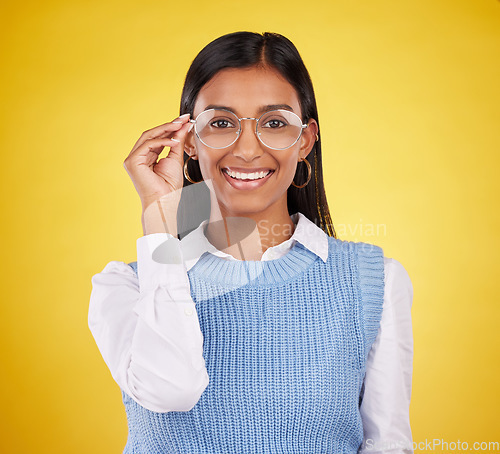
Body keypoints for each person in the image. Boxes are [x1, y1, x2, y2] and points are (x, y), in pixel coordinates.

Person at [88, 31, 414, 454]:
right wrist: (161, 221)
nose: (246, 149)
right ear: (188, 141)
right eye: (221, 123)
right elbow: (171, 391)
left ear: (306, 141)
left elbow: (387, 446)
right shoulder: (126, 287)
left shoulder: (376, 282)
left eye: (275, 123)